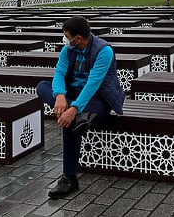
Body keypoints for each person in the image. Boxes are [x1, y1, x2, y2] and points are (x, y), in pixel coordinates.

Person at [36, 16, 125, 199]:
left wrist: (73, 108)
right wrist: (60, 95)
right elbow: (59, 72)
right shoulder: (68, 50)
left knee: (72, 122)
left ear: (77, 38)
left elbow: (93, 83)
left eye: (67, 36)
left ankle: (69, 178)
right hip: (72, 95)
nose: (65, 39)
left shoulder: (103, 51)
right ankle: (75, 114)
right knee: (42, 87)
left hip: (98, 99)